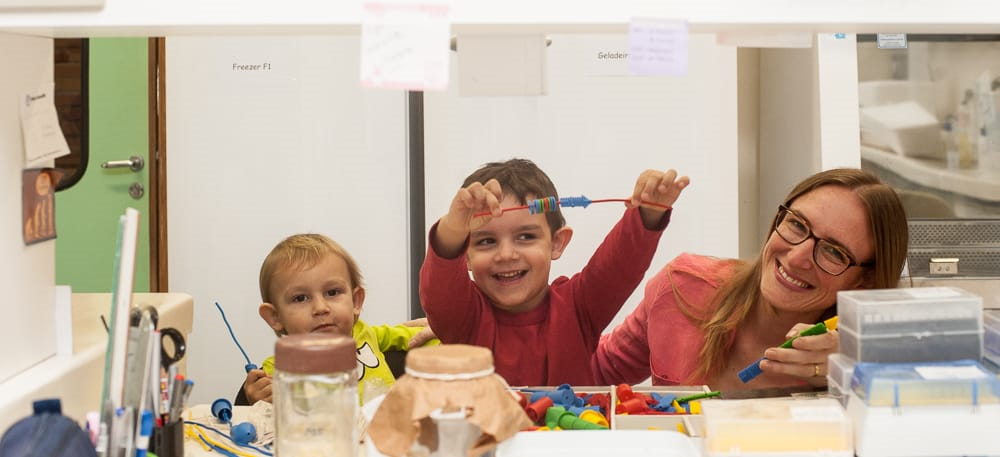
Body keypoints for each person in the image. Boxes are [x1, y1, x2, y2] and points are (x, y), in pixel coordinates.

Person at [592, 168, 908, 392]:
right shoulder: (684, 286)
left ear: (862, 283)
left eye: (833, 252)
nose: (797, 257)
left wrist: (851, 375)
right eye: (797, 225)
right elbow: (598, 371)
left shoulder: (863, 358)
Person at [419, 158, 689, 386]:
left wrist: (648, 213)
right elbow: (438, 289)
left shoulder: (578, 307)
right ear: (465, 254)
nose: (506, 254)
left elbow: (619, 267)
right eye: (486, 241)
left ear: (557, 243)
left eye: (525, 236)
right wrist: (453, 229)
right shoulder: (463, 317)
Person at [236, 233, 438, 405]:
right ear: (275, 317)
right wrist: (257, 398)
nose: (321, 308)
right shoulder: (278, 370)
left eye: (332, 292)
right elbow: (268, 419)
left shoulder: (367, 333)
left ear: (356, 301)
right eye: (300, 298)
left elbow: (427, 337)